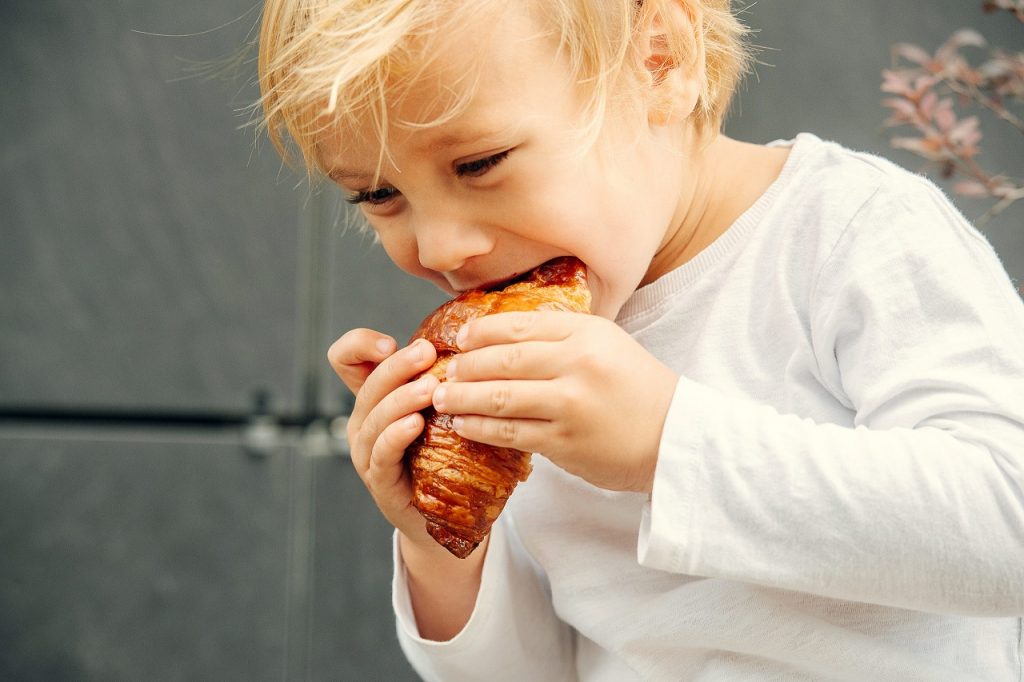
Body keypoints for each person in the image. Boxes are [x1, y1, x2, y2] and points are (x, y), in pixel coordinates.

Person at [257, 0, 1024, 678]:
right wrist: (441, 544)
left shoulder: (847, 233)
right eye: (379, 195)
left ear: (660, 60)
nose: (441, 246)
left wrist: (667, 445)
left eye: (479, 163)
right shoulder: (528, 355)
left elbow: (1006, 521)